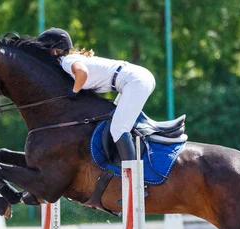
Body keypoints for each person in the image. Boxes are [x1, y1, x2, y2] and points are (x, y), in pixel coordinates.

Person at [37, 28, 156, 161]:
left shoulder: (67, 61)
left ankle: (133, 177)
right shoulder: (73, 58)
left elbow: (82, 73)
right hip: (133, 79)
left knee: (118, 129)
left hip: (134, 81)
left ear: (54, 52)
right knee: (112, 121)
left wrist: (74, 91)